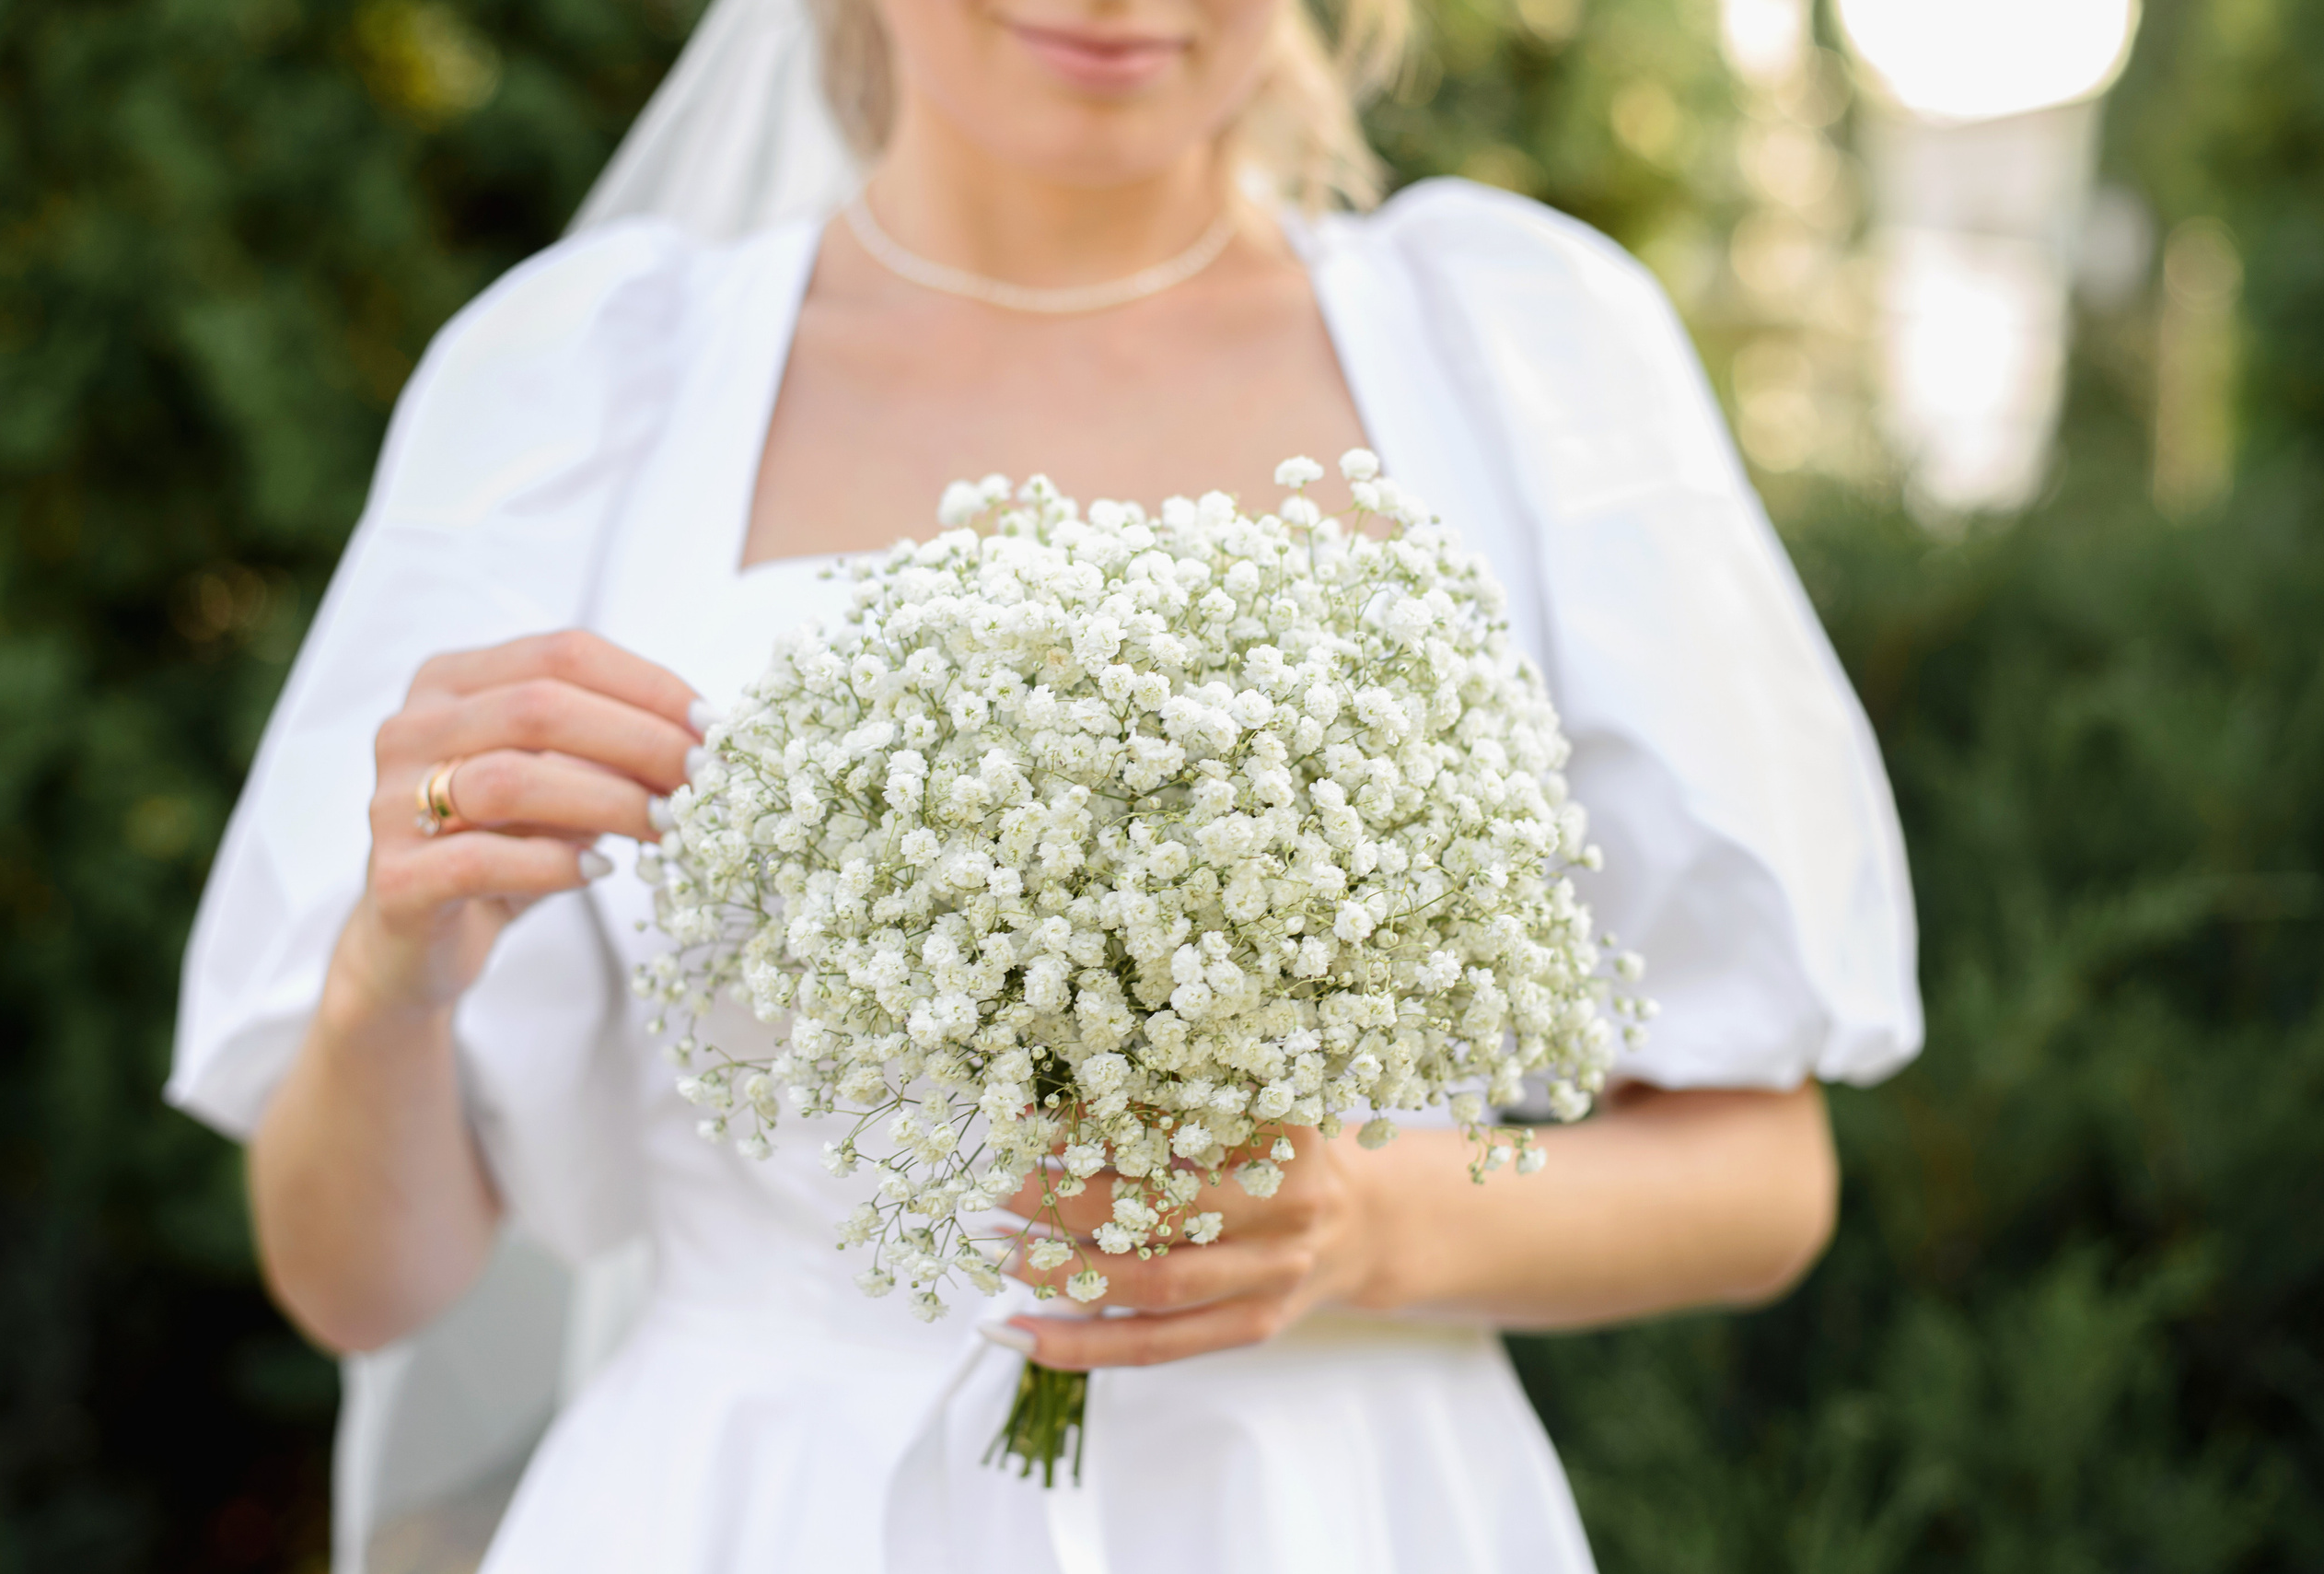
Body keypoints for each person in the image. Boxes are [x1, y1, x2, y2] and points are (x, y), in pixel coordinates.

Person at [170, 0, 1923, 1565]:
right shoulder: (584, 380)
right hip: (745, 1510)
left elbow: (1765, 1179)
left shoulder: (1525, 350)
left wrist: (1365, 1224)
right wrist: (391, 973)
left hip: (1332, 1513)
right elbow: (354, 1282)